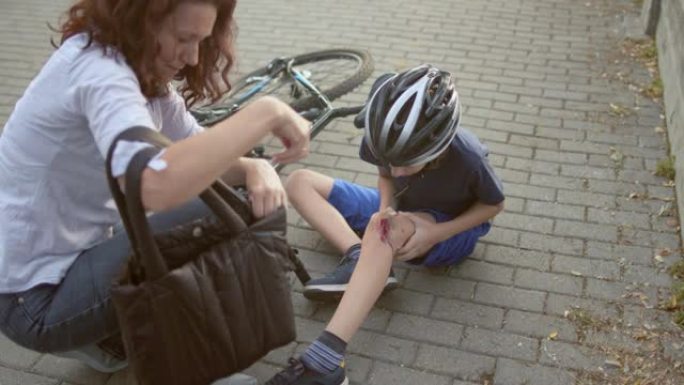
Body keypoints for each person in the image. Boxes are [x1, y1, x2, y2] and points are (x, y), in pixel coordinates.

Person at [0, 0, 310, 380]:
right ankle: (190, 364)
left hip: (68, 260)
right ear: (139, 20)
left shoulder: (137, 72)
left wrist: (253, 166)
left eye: (201, 41)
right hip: (31, 299)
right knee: (225, 210)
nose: (194, 58)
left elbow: (200, 151)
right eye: (184, 38)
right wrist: (267, 112)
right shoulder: (98, 72)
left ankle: (113, 339)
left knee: (229, 194)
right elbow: (154, 185)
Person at [266, 65, 505, 384]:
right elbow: (384, 177)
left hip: (449, 229)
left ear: (437, 146)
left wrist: (436, 232)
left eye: (406, 163)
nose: (396, 169)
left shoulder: (469, 158)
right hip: (404, 211)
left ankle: (326, 359)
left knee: (385, 232)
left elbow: (494, 205)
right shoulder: (383, 138)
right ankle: (358, 257)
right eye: (389, 159)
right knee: (299, 181)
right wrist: (384, 208)